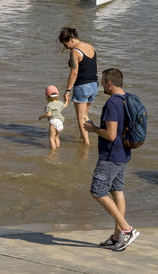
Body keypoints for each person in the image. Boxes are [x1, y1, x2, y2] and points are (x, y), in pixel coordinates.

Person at [82, 67, 138, 250]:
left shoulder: (112, 103)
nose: (101, 86)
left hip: (111, 156)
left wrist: (92, 129)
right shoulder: (127, 99)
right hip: (123, 154)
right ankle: (117, 237)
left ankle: (127, 229)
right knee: (117, 191)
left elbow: (111, 134)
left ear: (109, 83)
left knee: (97, 191)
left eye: (102, 82)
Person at [59, 26, 98, 142]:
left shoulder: (75, 52)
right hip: (94, 85)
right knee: (85, 115)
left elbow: (74, 73)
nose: (66, 48)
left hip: (82, 87)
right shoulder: (92, 47)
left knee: (80, 118)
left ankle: (86, 143)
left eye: (65, 45)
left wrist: (68, 90)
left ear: (71, 40)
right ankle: (83, 136)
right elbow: (96, 67)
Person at [39, 85, 67, 150]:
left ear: (47, 96)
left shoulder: (49, 105)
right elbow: (65, 105)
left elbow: (48, 114)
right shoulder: (60, 103)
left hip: (54, 122)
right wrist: (66, 99)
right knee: (56, 137)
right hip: (60, 122)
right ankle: (58, 148)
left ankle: (53, 152)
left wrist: (42, 117)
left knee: (51, 139)